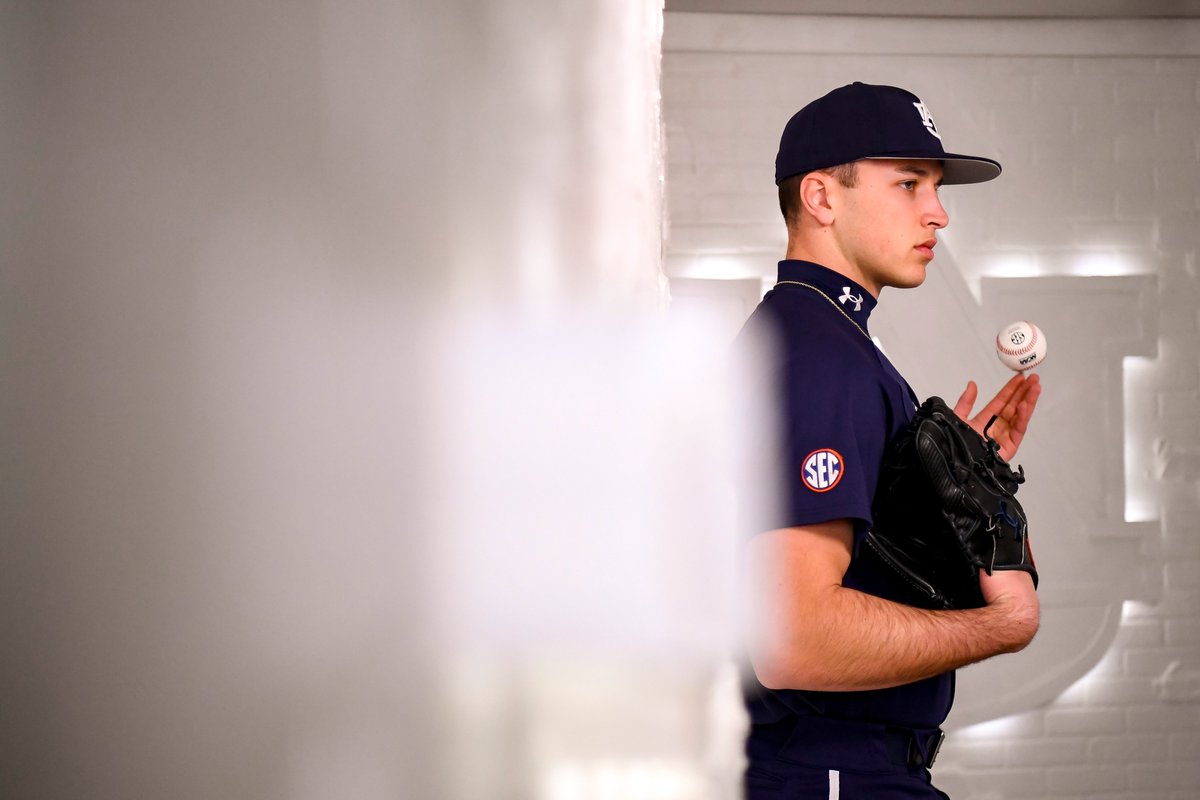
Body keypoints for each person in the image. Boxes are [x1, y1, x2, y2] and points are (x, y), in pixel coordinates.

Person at [736, 82, 1043, 799]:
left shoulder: (822, 338)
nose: (938, 212)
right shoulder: (819, 357)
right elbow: (793, 638)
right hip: (827, 772)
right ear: (821, 197)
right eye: (909, 184)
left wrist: (927, 506)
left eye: (934, 187)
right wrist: (1002, 624)